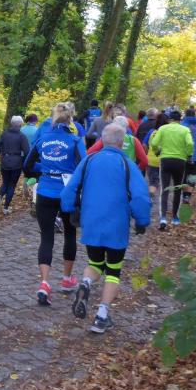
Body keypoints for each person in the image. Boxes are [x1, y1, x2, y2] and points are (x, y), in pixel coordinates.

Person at [61, 123, 151, 333]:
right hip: (117, 225)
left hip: (91, 222)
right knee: (113, 270)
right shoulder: (127, 164)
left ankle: (85, 282)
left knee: (95, 263)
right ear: (123, 141)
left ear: (102, 140)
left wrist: (69, 210)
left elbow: (70, 189)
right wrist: (142, 221)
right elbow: (140, 196)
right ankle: (102, 316)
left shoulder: (89, 160)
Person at [23, 102, 86, 305]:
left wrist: (45, 169)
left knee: (47, 236)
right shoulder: (75, 140)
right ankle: (67, 279)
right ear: (70, 120)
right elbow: (84, 166)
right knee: (69, 234)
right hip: (67, 193)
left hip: (45, 192)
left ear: (53, 118)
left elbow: (27, 166)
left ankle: (44, 283)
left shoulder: (43, 139)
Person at [149, 110, 194, 230]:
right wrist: (189, 155)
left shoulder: (163, 128)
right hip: (180, 161)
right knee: (177, 188)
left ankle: (163, 218)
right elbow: (190, 143)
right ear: (180, 119)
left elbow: (154, 142)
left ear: (170, 119)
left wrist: (157, 151)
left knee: (165, 189)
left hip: (165, 160)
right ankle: (175, 217)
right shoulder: (185, 130)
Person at [0, 115, 30, 215]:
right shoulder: (22, 136)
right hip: (16, 163)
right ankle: (6, 208)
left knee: (5, 182)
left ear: (11, 123)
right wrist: (24, 161)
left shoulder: (4, 134)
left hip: (5, 161)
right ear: (20, 125)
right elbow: (27, 151)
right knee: (12, 185)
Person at [143, 113, 169, 197]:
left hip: (151, 160)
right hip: (164, 160)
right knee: (165, 181)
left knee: (153, 181)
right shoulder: (168, 133)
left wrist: (147, 153)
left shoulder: (151, 131)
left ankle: (151, 193)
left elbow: (144, 145)